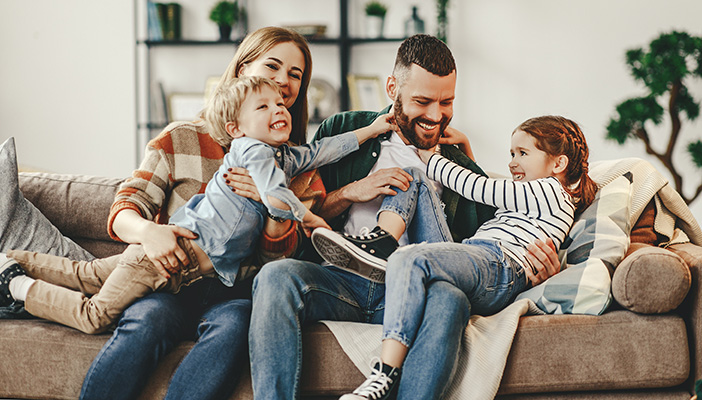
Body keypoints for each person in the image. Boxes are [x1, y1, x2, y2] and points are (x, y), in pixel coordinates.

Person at [245, 34, 563, 400]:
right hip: (343, 280)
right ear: (392, 88)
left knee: (450, 297)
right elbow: (302, 216)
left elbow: (487, 246)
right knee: (276, 276)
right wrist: (349, 192)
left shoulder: (456, 160)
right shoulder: (344, 129)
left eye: (447, 102)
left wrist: (538, 267)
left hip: (418, 289)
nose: (435, 116)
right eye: (422, 101)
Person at [35, 27, 314, 400]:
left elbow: (274, 262)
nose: (283, 81)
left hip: (232, 291)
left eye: (295, 75)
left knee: (235, 325)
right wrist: (150, 233)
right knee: (148, 319)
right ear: (243, 69)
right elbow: (126, 207)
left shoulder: (291, 163)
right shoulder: (182, 136)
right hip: (167, 281)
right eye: (273, 67)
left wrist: (273, 208)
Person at [0, 76, 395, 335]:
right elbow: (276, 195)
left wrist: (373, 129)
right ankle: (17, 286)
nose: (279, 110)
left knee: (83, 273)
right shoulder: (251, 151)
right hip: (163, 257)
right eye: (264, 106)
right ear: (235, 129)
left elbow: (323, 150)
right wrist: (313, 221)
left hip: (180, 271)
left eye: (281, 104)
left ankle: (8, 258)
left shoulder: (283, 157)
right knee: (94, 317)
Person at [313, 115, 598, 399]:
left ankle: (384, 374)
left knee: (409, 258)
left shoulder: (550, 191)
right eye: (512, 153)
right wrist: (465, 147)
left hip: (499, 264)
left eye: (523, 153)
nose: (512, 162)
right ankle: (382, 242)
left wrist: (431, 156)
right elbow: (488, 199)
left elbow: (481, 189)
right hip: (478, 257)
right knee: (413, 177)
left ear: (558, 164)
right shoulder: (533, 198)